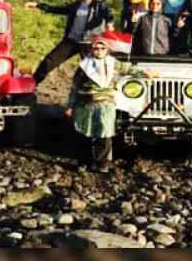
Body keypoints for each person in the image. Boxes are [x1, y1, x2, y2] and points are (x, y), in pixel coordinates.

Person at [65, 37, 156, 173]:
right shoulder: (84, 66)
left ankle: (103, 163)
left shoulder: (113, 63)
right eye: (96, 48)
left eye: (103, 48)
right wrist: (70, 106)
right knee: (84, 133)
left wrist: (145, 73)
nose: (99, 51)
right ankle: (83, 162)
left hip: (106, 104)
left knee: (105, 133)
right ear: (92, 49)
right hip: (86, 103)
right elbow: (75, 87)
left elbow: (128, 69)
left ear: (107, 50)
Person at [25, 0, 115, 84]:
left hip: (89, 43)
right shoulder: (76, 5)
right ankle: (30, 85)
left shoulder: (99, 5)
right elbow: (57, 9)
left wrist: (110, 24)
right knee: (49, 61)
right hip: (71, 41)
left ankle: (96, 95)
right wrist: (37, 5)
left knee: (92, 70)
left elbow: (108, 14)